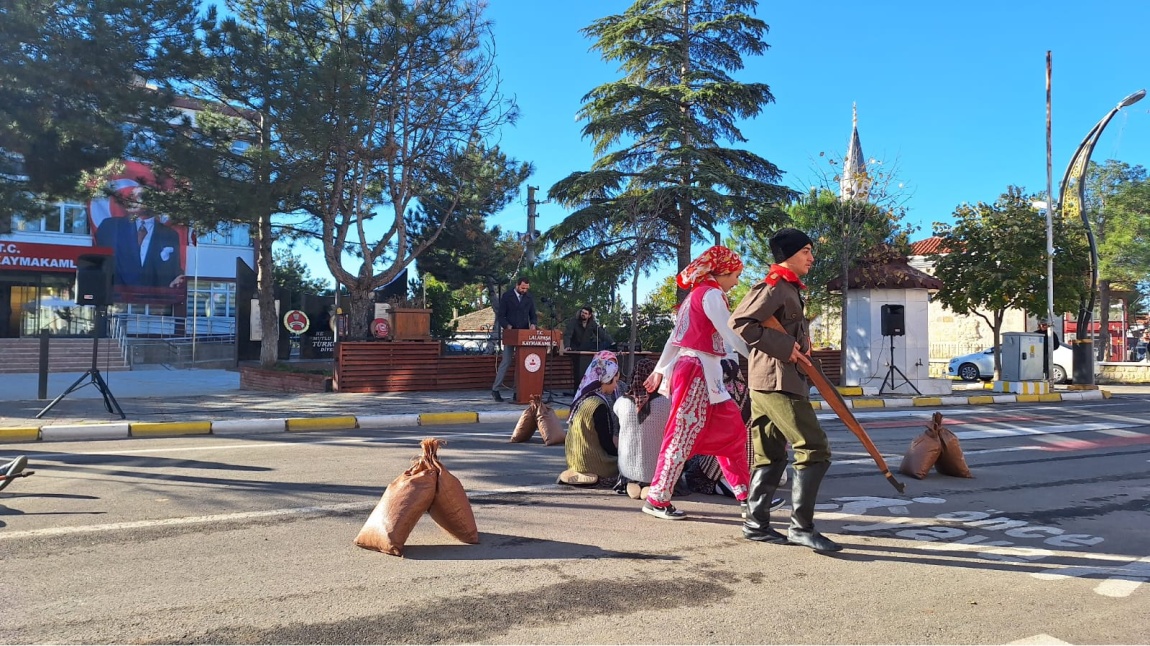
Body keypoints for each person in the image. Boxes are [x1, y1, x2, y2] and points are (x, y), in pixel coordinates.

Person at [730, 227, 842, 552]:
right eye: (806, 251)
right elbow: (740, 321)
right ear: (789, 255)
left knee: (770, 454)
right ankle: (801, 528)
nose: (812, 256)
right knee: (814, 447)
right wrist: (784, 346)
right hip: (778, 381)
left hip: (768, 381)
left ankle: (755, 523)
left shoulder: (789, 289)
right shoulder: (775, 286)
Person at [640, 245, 752, 521]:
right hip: (697, 372)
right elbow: (731, 333)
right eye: (736, 275)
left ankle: (749, 496)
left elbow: (674, 338)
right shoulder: (712, 294)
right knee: (681, 435)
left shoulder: (694, 296)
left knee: (734, 433)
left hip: (702, 372)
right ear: (723, 271)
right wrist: (759, 355)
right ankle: (658, 498)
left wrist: (659, 370)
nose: (736, 282)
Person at [94, 184, 185, 290]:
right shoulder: (110, 227)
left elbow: (173, 271)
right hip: (116, 300)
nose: (132, 198)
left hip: (154, 302)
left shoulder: (170, 235)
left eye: (140, 195)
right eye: (132, 195)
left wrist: (177, 280)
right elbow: (101, 264)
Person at [557, 350, 621, 486]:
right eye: (615, 381)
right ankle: (595, 476)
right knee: (626, 468)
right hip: (590, 461)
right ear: (606, 379)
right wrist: (619, 456)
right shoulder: (599, 405)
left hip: (573, 460)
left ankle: (576, 473)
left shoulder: (583, 399)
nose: (616, 386)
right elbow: (606, 442)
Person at [614, 358, 670, 498]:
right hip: (658, 470)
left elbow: (615, 434)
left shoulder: (621, 403)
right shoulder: (667, 403)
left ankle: (631, 483)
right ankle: (650, 485)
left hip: (627, 467)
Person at [491, 278, 537, 402]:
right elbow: (501, 316)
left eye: (526, 288)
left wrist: (533, 324)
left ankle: (518, 391)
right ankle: (495, 389)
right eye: (522, 288)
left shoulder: (529, 297)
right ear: (517, 285)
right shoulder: (507, 296)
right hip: (510, 333)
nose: (524, 290)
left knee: (521, 364)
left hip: (524, 334)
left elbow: (533, 315)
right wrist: (507, 326)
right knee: (506, 361)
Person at [564, 305, 613, 393]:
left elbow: (601, 334)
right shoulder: (573, 322)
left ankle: (586, 390)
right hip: (575, 350)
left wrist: (612, 342)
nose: (583, 314)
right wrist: (567, 345)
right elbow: (568, 334)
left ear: (589, 315)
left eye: (585, 313)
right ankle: (577, 391)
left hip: (586, 350)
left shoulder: (592, 324)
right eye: (582, 312)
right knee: (577, 372)